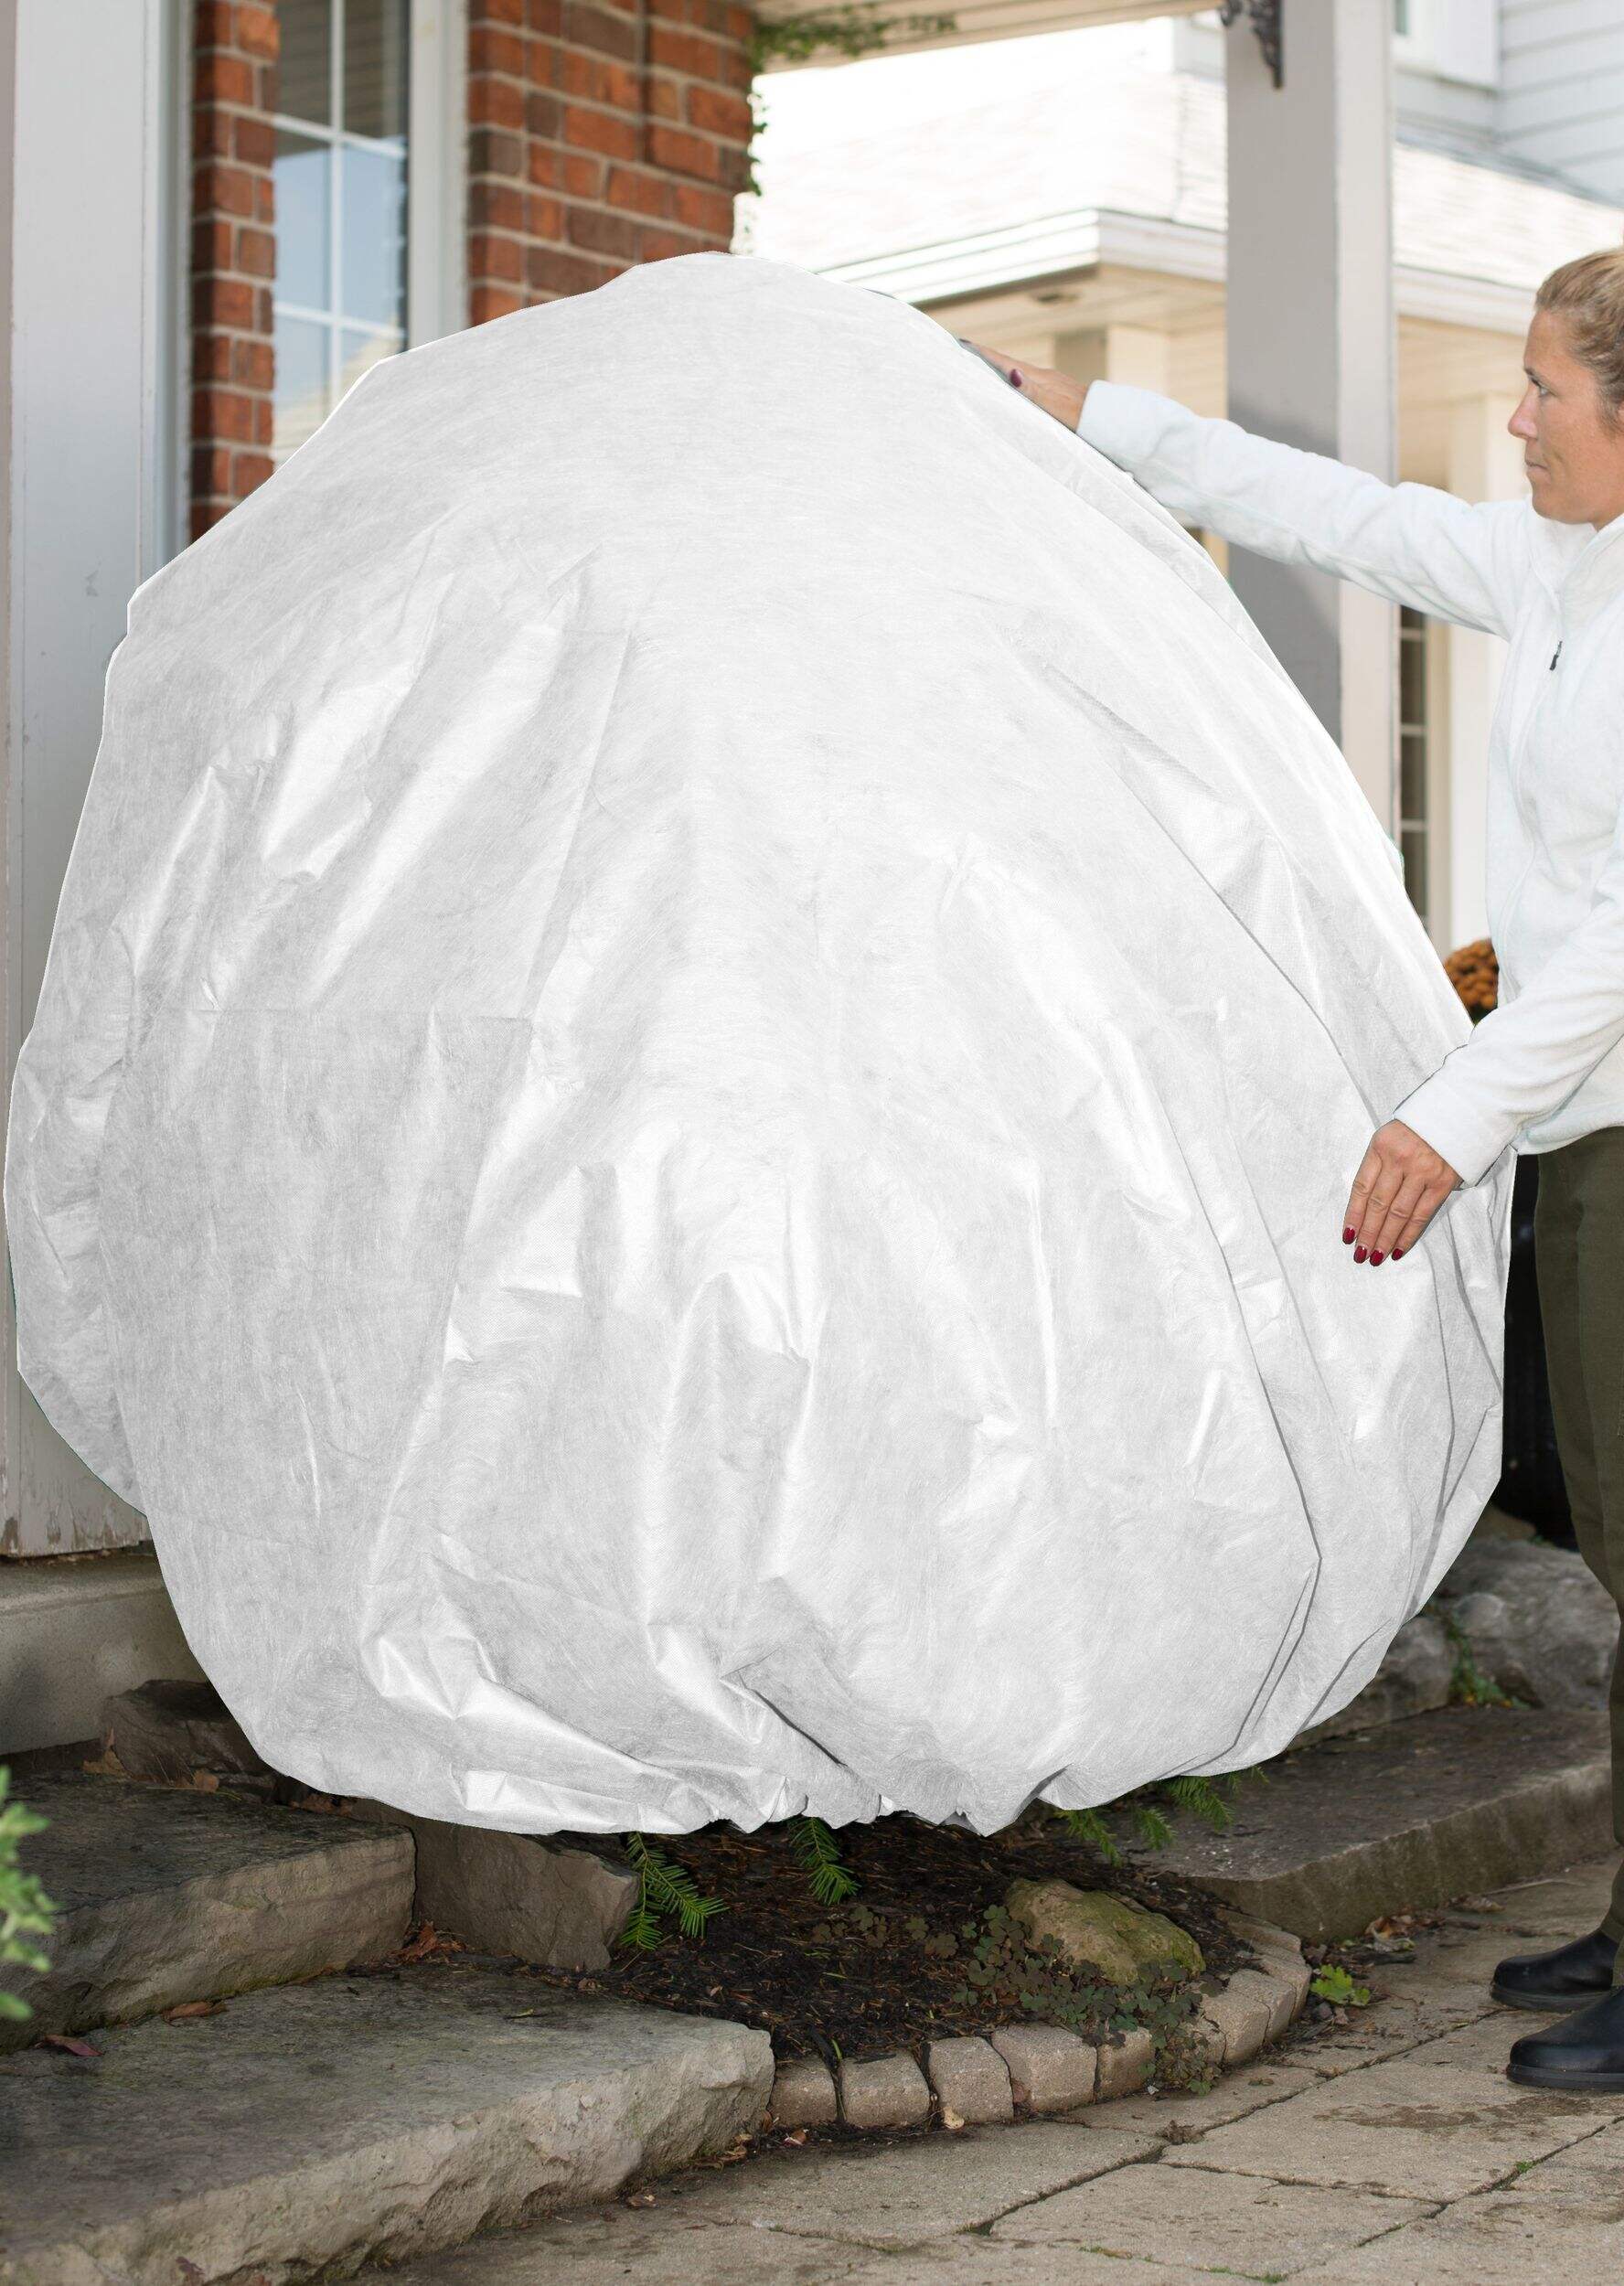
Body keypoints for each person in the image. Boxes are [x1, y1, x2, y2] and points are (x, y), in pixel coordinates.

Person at [967, 244, 1624, 2096]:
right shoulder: (1560, 564)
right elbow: (1337, 512)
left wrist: (1444, 1118)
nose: (1518, 416)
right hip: (1581, 1128)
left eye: (1549, 387)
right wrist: (1095, 417)